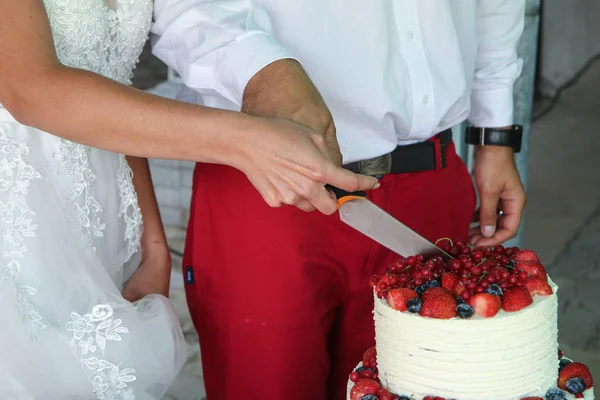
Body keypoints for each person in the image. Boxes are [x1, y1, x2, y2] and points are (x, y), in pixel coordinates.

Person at [0, 1, 378, 398]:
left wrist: (152, 239)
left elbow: (111, 81)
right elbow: (29, 89)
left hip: (94, 223)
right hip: (21, 224)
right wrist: (244, 139)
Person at [151, 1, 528, 399]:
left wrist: (494, 130)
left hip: (430, 180)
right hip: (271, 182)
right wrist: (266, 76)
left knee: (419, 384)